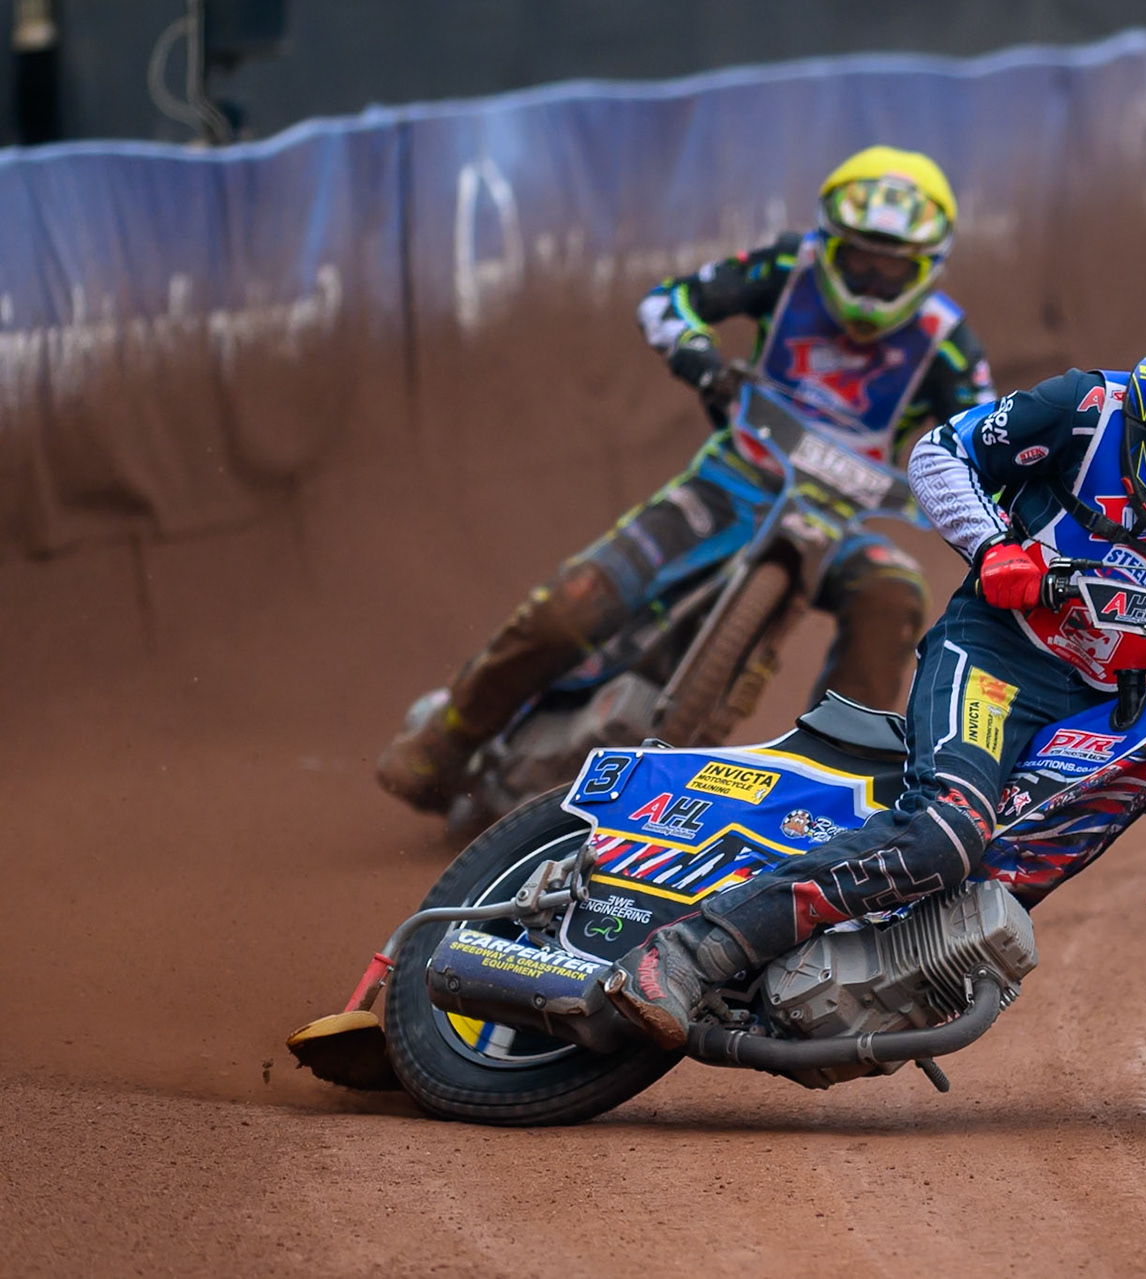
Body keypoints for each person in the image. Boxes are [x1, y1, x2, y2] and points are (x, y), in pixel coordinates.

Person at [606, 264, 1146, 1123]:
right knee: (944, 832)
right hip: (995, 656)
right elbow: (941, 452)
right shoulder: (1088, 411)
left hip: (1111, 701)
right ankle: (688, 952)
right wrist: (993, 550)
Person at [376, 146, 996, 813]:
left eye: (892, 269)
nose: (872, 283)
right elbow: (670, 301)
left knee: (897, 591)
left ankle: (826, 796)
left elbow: (987, 440)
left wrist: (974, 499)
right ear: (828, 244)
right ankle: (448, 736)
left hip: (838, 523)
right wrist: (700, 358)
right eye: (859, 261)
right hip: (730, 486)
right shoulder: (788, 269)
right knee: (573, 607)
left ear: (928, 269)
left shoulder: (947, 341)